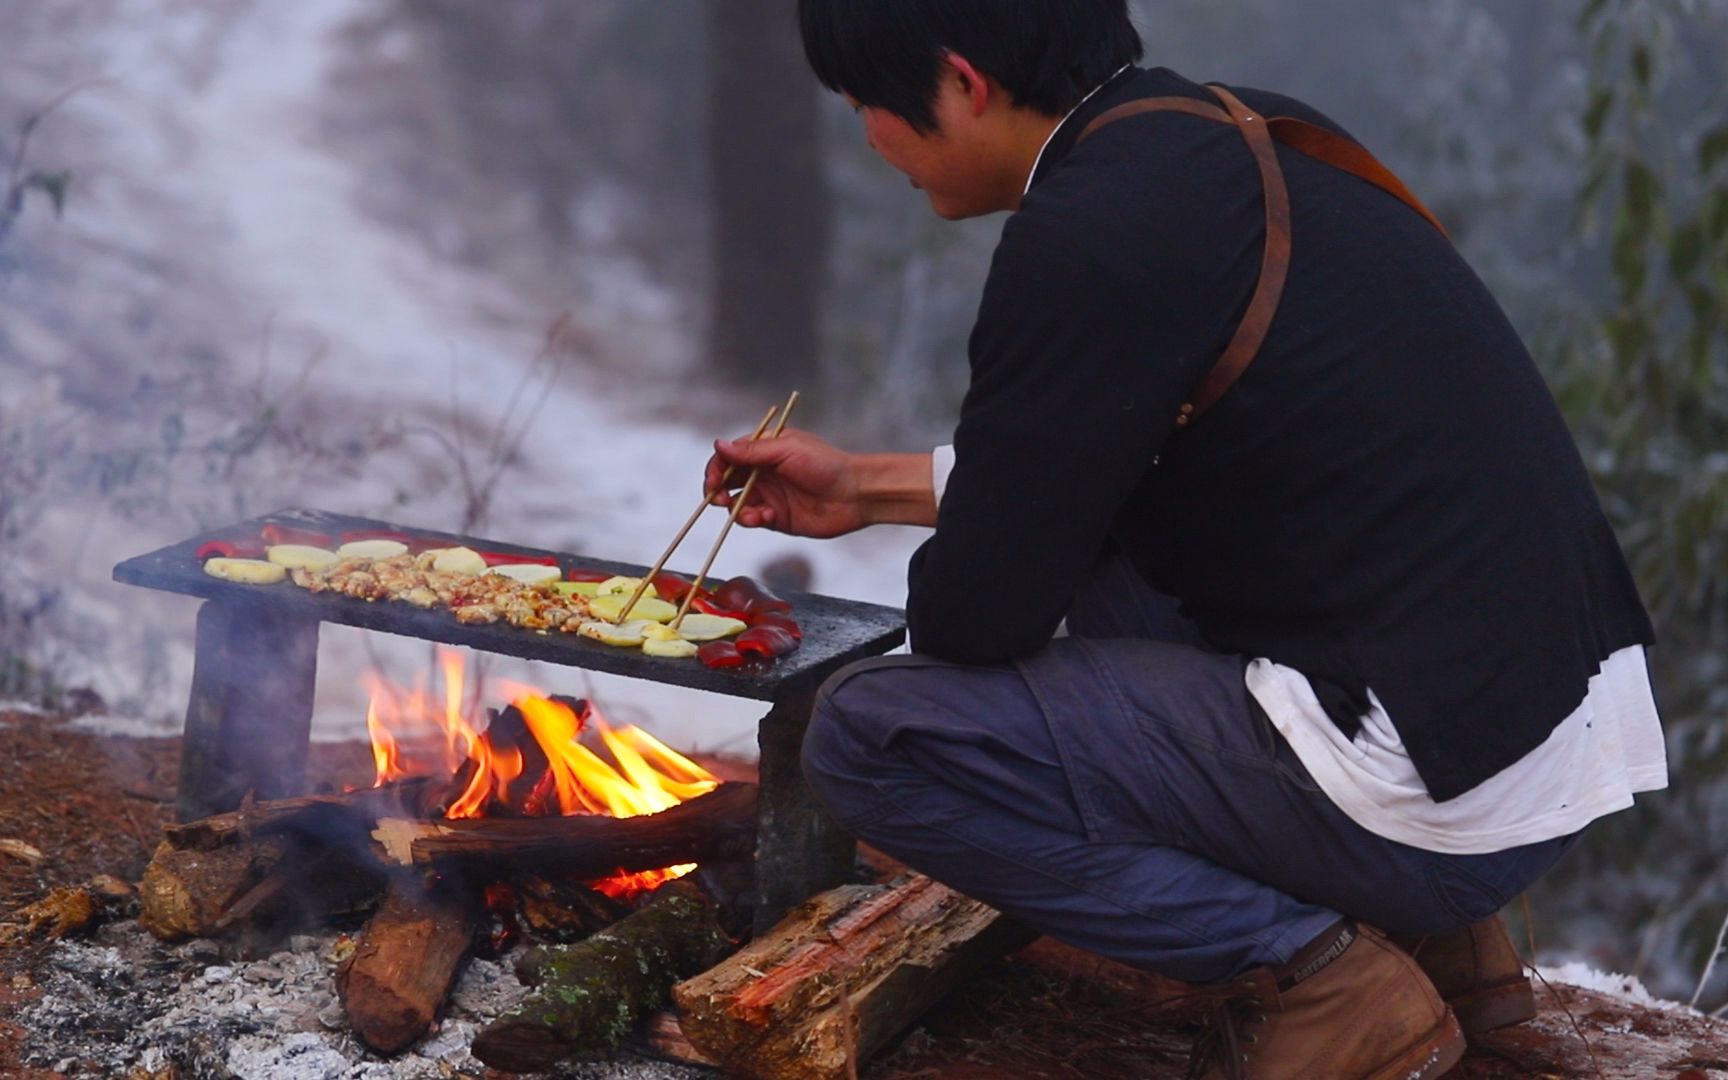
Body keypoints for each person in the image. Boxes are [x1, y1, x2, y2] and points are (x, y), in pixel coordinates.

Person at [703, 3, 1666, 1077]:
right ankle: (1448, 955)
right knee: (1115, 558)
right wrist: (870, 487)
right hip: (1543, 735)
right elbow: (1147, 454)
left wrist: (986, 533)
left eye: (865, 106)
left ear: (963, 83)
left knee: (870, 740)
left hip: (1417, 796)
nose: (869, 141)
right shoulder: (1243, 134)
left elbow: (975, 619)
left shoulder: (1088, 237)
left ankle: (1322, 977)